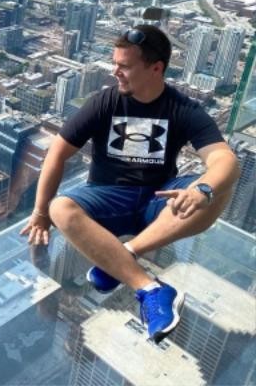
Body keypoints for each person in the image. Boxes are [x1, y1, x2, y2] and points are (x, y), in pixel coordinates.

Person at [20, 24, 240, 343]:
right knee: (60, 209)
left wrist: (203, 190)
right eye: (115, 64)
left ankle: (124, 255)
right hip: (107, 199)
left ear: (156, 68)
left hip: (157, 202)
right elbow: (57, 153)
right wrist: (41, 213)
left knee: (220, 189)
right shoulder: (104, 102)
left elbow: (225, 159)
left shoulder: (181, 108)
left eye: (124, 66)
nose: (115, 72)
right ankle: (150, 288)